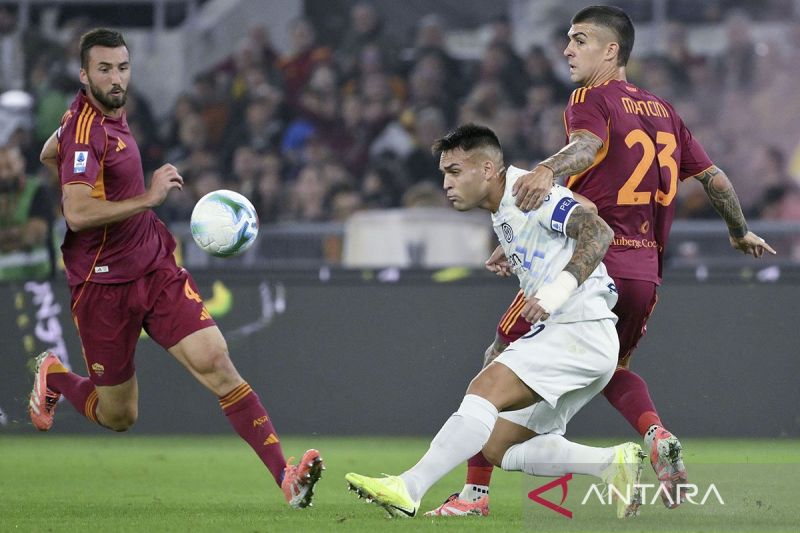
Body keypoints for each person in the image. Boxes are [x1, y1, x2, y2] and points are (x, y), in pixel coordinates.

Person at [428, 5, 775, 517]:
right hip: (646, 274)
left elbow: (587, 147)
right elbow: (715, 179)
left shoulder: (590, 97)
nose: (567, 50)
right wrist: (740, 231)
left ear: (611, 51)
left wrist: (545, 170)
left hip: (590, 264)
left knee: (496, 358)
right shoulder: (665, 111)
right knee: (611, 366)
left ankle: (473, 495)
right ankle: (655, 433)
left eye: (579, 40)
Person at [29, 28, 324, 509]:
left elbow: (49, 152)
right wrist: (147, 197)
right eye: (104, 69)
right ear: (84, 75)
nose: (116, 78)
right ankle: (56, 376)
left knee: (217, 362)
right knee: (119, 416)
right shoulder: (86, 131)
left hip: (154, 266)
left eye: (122, 67)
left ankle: (286, 478)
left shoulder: (102, 115)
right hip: (102, 286)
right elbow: (77, 213)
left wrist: (82, 175)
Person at [346, 124, 647, 520]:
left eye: (455, 171)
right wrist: (520, 245)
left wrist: (555, 291)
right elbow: (585, 209)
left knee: (485, 387)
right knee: (498, 447)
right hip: (586, 339)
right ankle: (612, 464)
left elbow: (598, 229)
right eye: (444, 173)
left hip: (579, 326)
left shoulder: (527, 192)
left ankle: (409, 488)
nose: (446, 183)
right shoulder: (507, 208)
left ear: (488, 169)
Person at [0, 141, 54, 281]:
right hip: (3, 280)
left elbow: (34, 234)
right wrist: (18, 233)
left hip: (40, 277)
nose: (3, 174)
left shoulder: (38, 190)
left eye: (9, 167)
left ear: (21, 163)